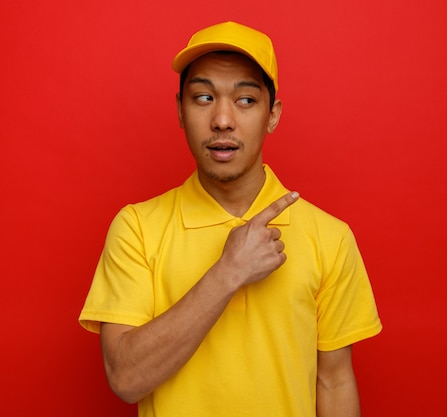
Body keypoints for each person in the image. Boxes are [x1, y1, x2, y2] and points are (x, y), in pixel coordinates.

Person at [79, 21, 382, 417]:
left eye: (245, 100)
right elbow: (125, 378)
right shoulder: (136, 228)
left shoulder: (330, 237)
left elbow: (335, 380)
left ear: (272, 115)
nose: (222, 120)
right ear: (180, 111)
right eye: (203, 98)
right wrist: (228, 272)